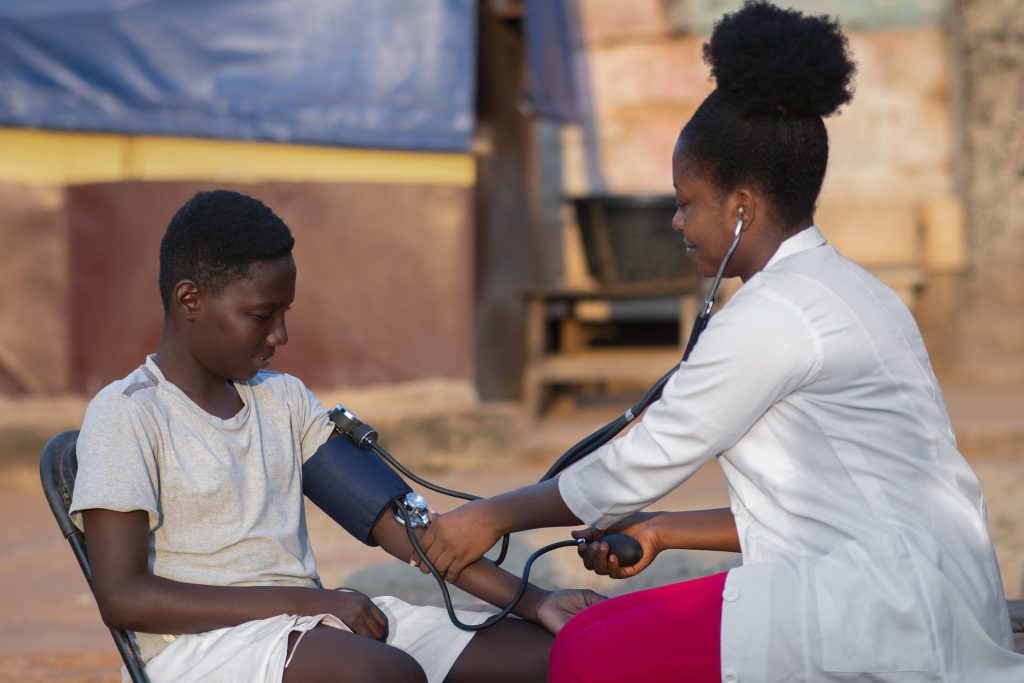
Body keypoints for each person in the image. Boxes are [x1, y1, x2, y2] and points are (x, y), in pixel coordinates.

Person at [414, 2, 1024, 681]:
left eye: (685, 201)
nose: (676, 221)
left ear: (740, 206)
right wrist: (663, 529)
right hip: (918, 581)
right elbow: (819, 496)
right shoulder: (851, 290)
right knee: (592, 625)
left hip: (882, 604)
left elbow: (642, 459)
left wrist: (494, 514)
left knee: (588, 654)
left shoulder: (777, 313)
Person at [69, 189, 602, 683]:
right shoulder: (128, 414)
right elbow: (124, 597)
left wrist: (536, 603)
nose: (280, 334)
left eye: (285, 312)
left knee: (549, 656)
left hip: (308, 626)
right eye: (262, 314)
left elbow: (410, 531)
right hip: (198, 651)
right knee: (383, 673)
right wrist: (306, 607)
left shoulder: (282, 399)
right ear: (190, 301)